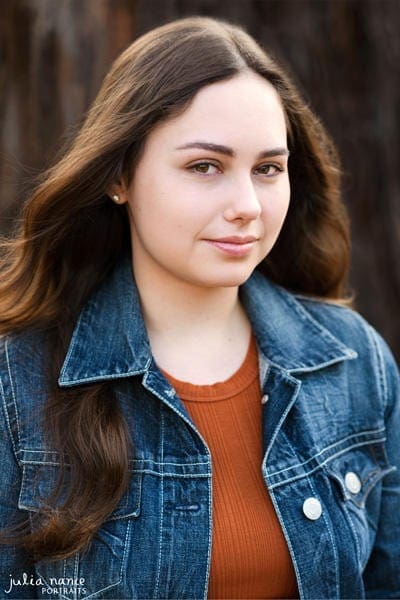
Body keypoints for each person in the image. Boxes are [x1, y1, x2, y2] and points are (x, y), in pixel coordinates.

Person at [0, 15, 398, 600]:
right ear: (119, 176)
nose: (246, 206)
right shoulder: (18, 381)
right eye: (205, 166)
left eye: (267, 168)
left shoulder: (355, 362)